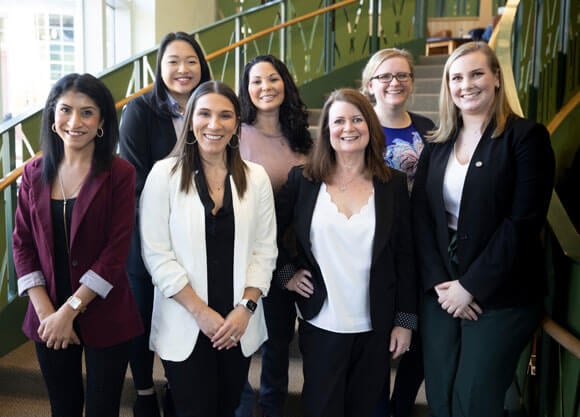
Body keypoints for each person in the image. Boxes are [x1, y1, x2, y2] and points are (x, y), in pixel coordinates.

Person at [412, 41, 555, 417]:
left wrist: (470, 286)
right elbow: (422, 217)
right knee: (441, 394)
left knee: (474, 399)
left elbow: (523, 223)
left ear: (496, 78)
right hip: (442, 286)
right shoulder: (437, 143)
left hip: (500, 287)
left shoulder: (525, 138)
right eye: (456, 77)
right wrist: (442, 283)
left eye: (476, 74)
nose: (466, 84)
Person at [275, 88, 417, 417]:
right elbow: (268, 235)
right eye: (338, 121)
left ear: (370, 125)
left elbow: (405, 256)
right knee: (321, 409)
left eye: (357, 119)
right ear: (326, 130)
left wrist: (405, 321)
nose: (348, 127)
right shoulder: (304, 180)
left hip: (376, 325)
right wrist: (287, 275)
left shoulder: (392, 184)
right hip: (321, 321)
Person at [139, 80, 278, 417]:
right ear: (191, 119)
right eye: (204, 114)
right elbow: (157, 255)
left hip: (237, 323)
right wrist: (202, 313)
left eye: (225, 116)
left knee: (228, 406)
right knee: (192, 409)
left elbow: (265, 250)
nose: (214, 125)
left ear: (236, 124)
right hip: (187, 320)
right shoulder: (163, 175)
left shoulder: (256, 177)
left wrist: (245, 309)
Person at [12, 73, 143, 417]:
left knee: (103, 409)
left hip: (106, 310)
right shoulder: (32, 173)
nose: (75, 121)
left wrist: (70, 310)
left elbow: (115, 253)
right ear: (52, 117)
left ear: (101, 121)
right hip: (48, 313)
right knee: (63, 407)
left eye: (87, 112)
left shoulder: (120, 173)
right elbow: (22, 245)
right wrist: (48, 315)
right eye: (65, 110)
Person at [119, 31, 211, 417]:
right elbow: (136, 184)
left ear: (202, 65)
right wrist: (167, 231)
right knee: (139, 320)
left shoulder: (213, 107)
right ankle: (143, 392)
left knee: (185, 317)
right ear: (160, 67)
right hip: (147, 238)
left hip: (200, 239)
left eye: (191, 60)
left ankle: (179, 386)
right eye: (173, 61)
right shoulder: (140, 111)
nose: (183, 69)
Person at [236, 54, 313, 417]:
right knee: (246, 343)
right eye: (256, 81)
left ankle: (271, 409)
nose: (265, 87)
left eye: (273, 79)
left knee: (279, 343)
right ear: (246, 90)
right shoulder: (235, 132)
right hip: (248, 257)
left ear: (285, 83)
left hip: (294, 256)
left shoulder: (303, 135)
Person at [361, 48, 435, 417]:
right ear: (370, 84)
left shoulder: (429, 129)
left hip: (420, 247)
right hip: (372, 252)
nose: (395, 83)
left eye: (402, 75)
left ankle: (400, 406)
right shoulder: (356, 128)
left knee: (418, 340)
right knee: (373, 343)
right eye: (385, 76)